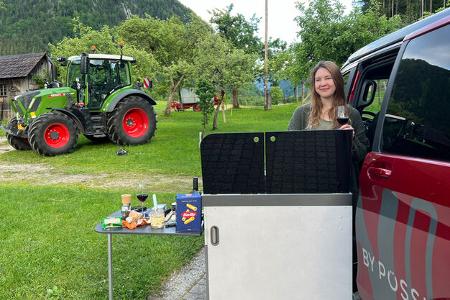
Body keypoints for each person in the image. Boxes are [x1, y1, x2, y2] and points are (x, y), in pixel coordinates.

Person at [288, 60, 369, 164]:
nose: (322, 83)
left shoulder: (352, 113)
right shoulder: (301, 113)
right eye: (318, 80)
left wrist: (352, 139)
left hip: (341, 178)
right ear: (314, 84)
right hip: (309, 176)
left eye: (328, 78)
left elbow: (362, 155)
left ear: (337, 81)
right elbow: (289, 148)